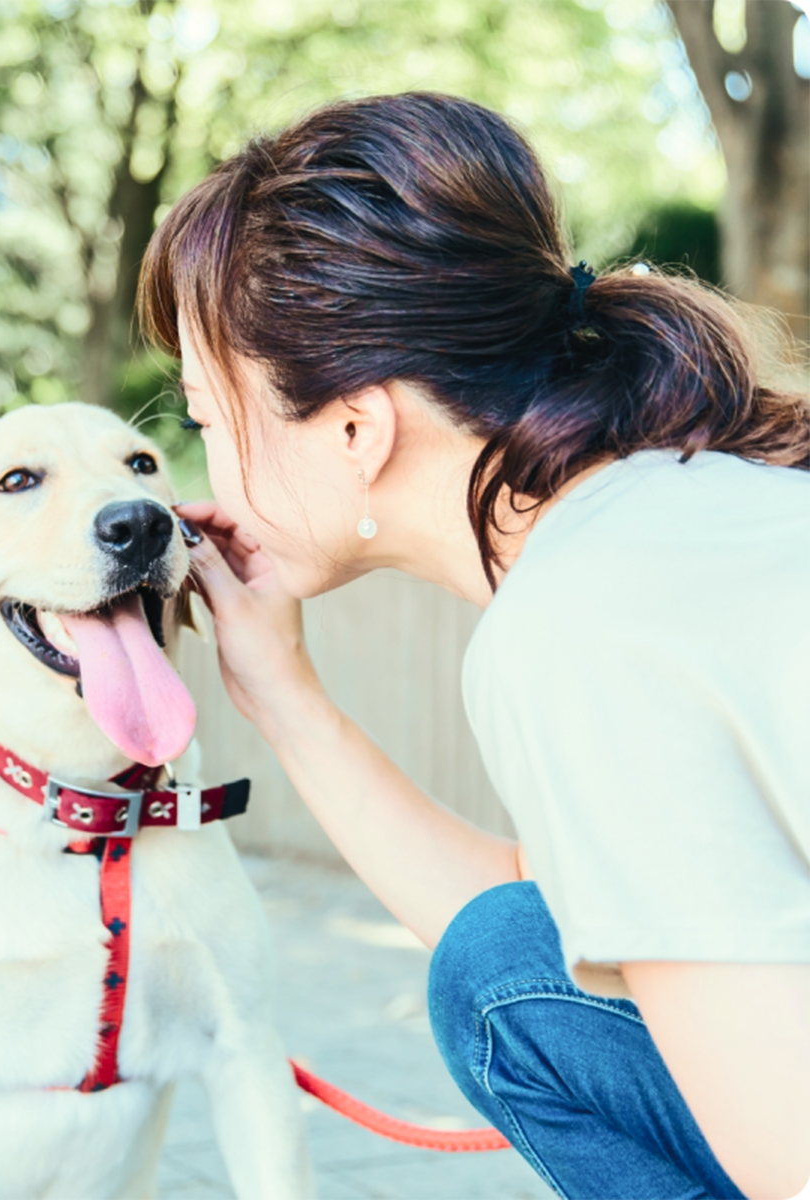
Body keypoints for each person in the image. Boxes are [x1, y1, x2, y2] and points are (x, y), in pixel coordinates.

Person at [146, 92, 810, 1200]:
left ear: (357, 430)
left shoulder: (584, 627)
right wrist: (284, 696)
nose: (206, 469)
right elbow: (545, 938)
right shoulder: (693, 505)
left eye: (210, 421)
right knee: (502, 962)